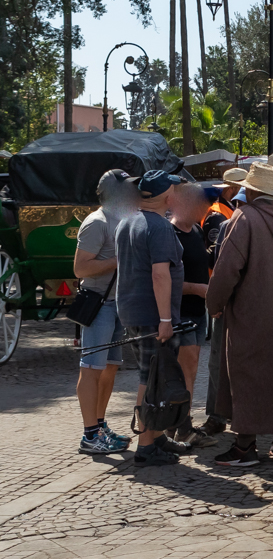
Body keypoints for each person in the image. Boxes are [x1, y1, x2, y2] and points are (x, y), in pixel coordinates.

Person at [207, 163, 273, 466]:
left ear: (250, 191)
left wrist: (214, 304)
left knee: (247, 375)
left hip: (251, 314)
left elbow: (226, 269)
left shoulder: (244, 218)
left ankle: (245, 446)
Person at [114, 170, 191, 467]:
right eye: (173, 190)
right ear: (167, 196)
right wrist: (165, 319)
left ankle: (156, 437)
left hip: (133, 311)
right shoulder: (159, 226)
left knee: (152, 376)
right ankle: (146, 446)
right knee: (152, 379)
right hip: (152, 315)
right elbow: (160, 274)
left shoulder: (127, 221)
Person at [73, 170, 139, 455]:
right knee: (91, 369)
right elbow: (80, 268)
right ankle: (90, 435)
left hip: (117, 304)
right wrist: (118, 259)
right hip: (99, 304)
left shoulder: (124, 218)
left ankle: (99, 426)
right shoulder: (96, 222)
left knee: (110, 367)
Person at [194, 167, 247, 442]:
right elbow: (215, 258)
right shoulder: (219, 216)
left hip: (228, 292)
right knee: (218, 359)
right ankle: (217, 414)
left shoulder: (232, 213)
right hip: (222, 292)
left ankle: (224, 414)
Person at [168, 183, 218, 447]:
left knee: (191, 368)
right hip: (182, 312)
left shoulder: (196, 230)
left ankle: (177, 424)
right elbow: (164, 280)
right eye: (200, 204)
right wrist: (197, 289)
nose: (205, 209)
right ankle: (182, 427)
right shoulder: (171, 233)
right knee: (185, 371)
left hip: (198, 312)